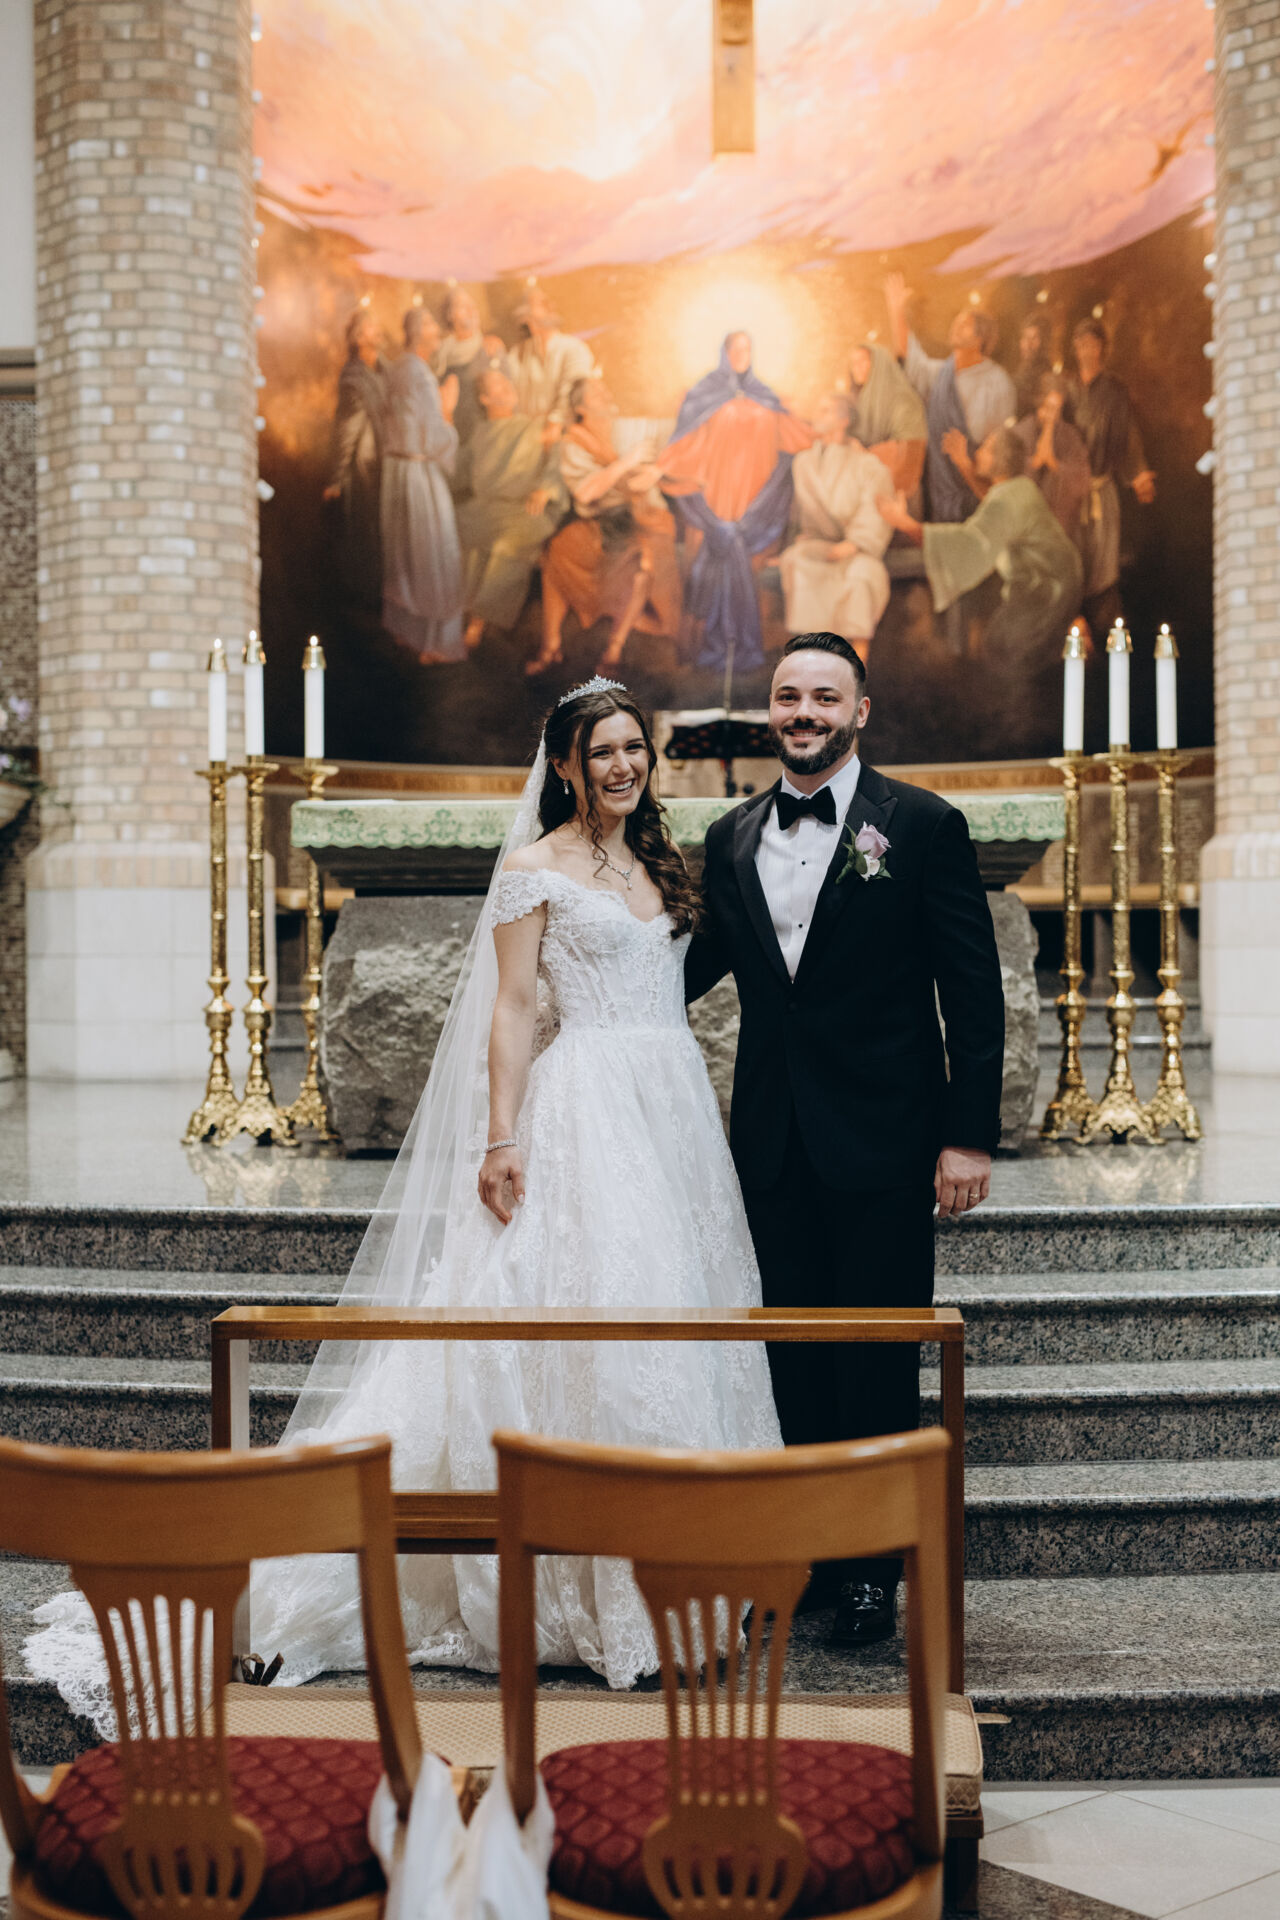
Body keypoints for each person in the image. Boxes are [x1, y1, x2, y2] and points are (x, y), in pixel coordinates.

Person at [24, 679, 782, 1724]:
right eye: (600, 751)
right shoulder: (533, 870)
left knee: (678, 1324)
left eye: (632, 748)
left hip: (673, 1111)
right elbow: (512, 1011)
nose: (621, 766)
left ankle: (693, 1575)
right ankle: (609, 1604)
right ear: (564, 766)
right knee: (597, 1322)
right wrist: (503, 1137)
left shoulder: (659, 860)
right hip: (586, 1112)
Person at [687, 633, 1005, 1648]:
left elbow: (972, 992)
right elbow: (687, 970)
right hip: (771, 1143)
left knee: (873, 1359)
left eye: (824, 697)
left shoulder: (921, 826)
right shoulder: (730, 837)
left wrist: (966, 1138)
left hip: (885, 1141)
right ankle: (809, 1563)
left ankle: (871, 1572)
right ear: (769, 711)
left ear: (859, 711)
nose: (804, 713)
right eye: (788, 696)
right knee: (789, 1360)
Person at [660, 330, 814, 671]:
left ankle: (749, 648)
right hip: (716, 495)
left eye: (747, 349)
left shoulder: (766, 396)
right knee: (709, 561)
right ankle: (703, 648)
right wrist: (665, 467)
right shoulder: (703, 394)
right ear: (724, 352)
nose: (742, 355)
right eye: (736, 348)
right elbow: (685, 442)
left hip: (756, 501)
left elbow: (796, 437)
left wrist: (823, 434)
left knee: (752, 567)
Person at [878, 425, 1084, 665]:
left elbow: (968, 544)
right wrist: (964, 464)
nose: (978, 453)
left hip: (1047, 588)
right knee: (1005, 648)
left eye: (986, 449)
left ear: (1000, 460)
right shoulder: (1020, 488)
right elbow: (993, 500)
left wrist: (903, 523)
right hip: (1052, 580)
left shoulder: (1007, 501)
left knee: (1005, 651)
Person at [531, 377, 681, 675]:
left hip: (643, 519)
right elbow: (586, 492)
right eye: (596, 393)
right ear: (581, 408)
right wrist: (626, 464)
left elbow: (664, 452)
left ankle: (614, 647)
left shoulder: (625, 429)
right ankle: (551, 647)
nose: (605, 393)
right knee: (558, 552)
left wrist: (655, 470)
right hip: (602, 521)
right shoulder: (574, 443)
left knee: (644, 569)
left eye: (604, 389)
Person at [884, 272, 1017, 525]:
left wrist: (969, 464)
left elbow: (1001, 447)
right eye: (956, 322)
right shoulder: (940, 375)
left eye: (964, 325)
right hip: (941, 490)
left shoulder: (997, 381)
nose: (955, 327)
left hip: (979, 490)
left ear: (980, 338)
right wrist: (896, 310)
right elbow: (910, 357)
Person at [454, 367, 567, 652]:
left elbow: (556, 461)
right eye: (498, 385)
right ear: (484, 399)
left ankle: (478, 623)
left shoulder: (536, 426)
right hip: (484, 508)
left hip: (524, 509)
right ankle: (457, 615)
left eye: (507, 383)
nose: (507, 388)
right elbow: (457, 471)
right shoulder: (479, 433)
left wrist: (546, 488)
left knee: (503, 543)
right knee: (458, 532)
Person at [779, 393, 894, 658]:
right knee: (797, 561)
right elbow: (797, 514)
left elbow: (875, 510)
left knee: (862, 577)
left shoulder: (867, 465)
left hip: (857, 551)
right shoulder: (803, 463)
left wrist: (852, 545)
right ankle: (812, 666)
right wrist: (803, 536)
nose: (817, 417)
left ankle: (855, 673)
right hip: (819, 547)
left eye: (826, 411)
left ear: (844, 420)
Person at [380, 306, 465, 662]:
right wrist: (449, 411)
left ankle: (407, 633)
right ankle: (434, 644)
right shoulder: (421, 374)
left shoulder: (399, 367)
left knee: (407, 559)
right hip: (418, 474)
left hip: (397, 473)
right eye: (430, 323)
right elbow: (434, 439)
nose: (438, 330)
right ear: (417, 332)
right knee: (435, 556)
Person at [1068, 317, 1157, 641]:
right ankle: (1074, 633)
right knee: (1072, 561)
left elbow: (1127, 436)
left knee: (1104, 567)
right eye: (1080, 344)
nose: (1085, 350)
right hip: (1071, 493)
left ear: (1101, 348)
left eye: (1091, 344)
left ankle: (1108, 633)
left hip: (1101, 489)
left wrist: (1138, 474)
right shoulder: (1067, 389)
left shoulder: (1114, 390)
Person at [323, 308, 387, 610]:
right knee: (366, 530)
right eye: (371, 327)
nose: (379, 330)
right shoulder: (353, 377)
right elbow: (347, 428)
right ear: (358, 338)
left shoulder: (383, 368)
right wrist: (336, 478)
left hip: (384, 459)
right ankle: (367, 599)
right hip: (365, 464)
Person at [508, 286, 597, 442]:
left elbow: (573, 392)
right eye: (539, 303)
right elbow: (507, 392)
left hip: (563, 434)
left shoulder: (574, 348)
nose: (549, 307)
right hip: (528, 435)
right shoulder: (517, 354)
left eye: (548, 303)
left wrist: (554, 424)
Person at [1013, 373, 1092, 540]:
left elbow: (1083, 479)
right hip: (1022, 527)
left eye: (1057, 410)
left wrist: (1055, 465)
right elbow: (1007, 475)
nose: (1052, 416)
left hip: (1059, 528)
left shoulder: (1070, 437)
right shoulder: (1019, 434)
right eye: (1048, 408)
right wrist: (1035, 463)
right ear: (1039, 404)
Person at [432, 285, 511, 447]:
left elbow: (508, 398)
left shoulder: (491, 349)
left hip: (487, 439)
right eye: (462, 306)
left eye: (473, 305)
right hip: (453, 438)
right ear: (450, 315)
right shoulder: (440, 354)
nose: (471, 310)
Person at [847, 340, 928, 498]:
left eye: (862, 361)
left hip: (897, 494)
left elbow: (911, 454)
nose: (856, 367)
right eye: (853, 363)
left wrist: (865, 454)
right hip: (867, 491)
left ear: (879, 364)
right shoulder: (862, 400)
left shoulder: (903, 400)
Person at [1014, 314, 1054, 419]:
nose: (1028, 344)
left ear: (1044, 342)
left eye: (1034, 338)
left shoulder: (1046, 375)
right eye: (1025, 337)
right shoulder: (1021, 368)